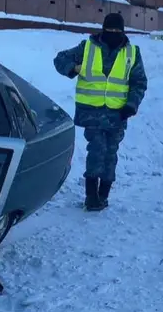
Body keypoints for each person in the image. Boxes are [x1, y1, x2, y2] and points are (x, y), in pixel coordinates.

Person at [54, 13, 147, 211]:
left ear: (123, 31)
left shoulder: (131, 53)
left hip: (118, 113)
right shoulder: (87, 47)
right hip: (92, 112)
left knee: (110, 154)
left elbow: (139, 82)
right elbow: (60, 59)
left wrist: (131, 105)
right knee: (96, 151)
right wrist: (73, 67)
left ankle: (104, 194)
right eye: (110, 30)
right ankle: (91, 197)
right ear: (103, 29)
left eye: (117, 31)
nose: (113, 33)